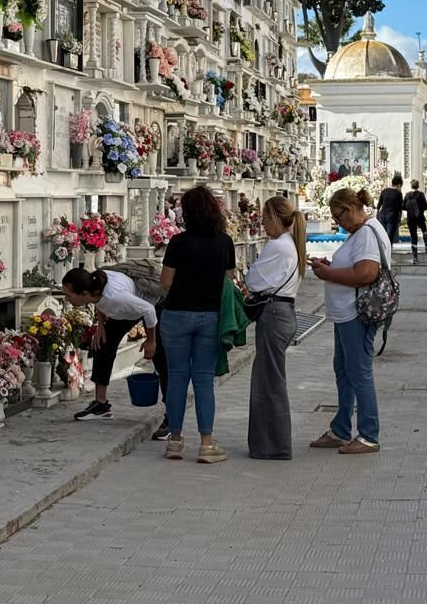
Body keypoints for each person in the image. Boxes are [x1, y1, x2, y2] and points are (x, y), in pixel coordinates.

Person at [307, 186, 387, 454]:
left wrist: (328, 274)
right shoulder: (360, 233)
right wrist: (329, 265)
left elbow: (366, 273)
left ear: (351, 209)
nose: (337, 222)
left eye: (338, 215)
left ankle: (368, 434)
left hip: (356, 313)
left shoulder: (366, 233)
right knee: (344, 371)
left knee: (359, 373)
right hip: (346, 312)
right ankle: (341, 429)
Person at [160, 184, 235, 463]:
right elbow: (229, 280)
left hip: (177, 313)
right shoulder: (224, 242)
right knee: (203, 379)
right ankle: (206, 444)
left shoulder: (178, 242)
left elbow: (166, 282)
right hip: (210, 315)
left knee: (177, 376)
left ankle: (175, 441)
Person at [245, 195, 305, 460]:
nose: (263, 222)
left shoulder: (279, 246)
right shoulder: (289, 244)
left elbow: (253, 279)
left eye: (267, 217)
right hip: (282, 313)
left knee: (269, 383)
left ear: (278, 219)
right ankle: (269, 443)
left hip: (274, 314)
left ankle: (274, 446)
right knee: (268, 379)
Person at [61, 267, 157, 421]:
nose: (67, 299)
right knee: (102, 345)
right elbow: (98, 300)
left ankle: (170, 411)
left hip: (149, 305)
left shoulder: (115, 297)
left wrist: (151, 341)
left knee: (159, 353)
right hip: (123, 312)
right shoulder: (93, 290)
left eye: (68, 295)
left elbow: (149, 310)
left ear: (84, 294)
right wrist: (101, 327)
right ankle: (101, 404)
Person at [403, 179, 427, 263]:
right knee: (424, 231)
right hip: (420, 217)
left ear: (411, 186)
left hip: (410, 218)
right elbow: (426, 206)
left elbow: (403, 206)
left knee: (413, 237)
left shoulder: (407, 195)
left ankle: (415, 257)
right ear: (418, 186)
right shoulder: (421, 194)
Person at [376, 173, 404, 246]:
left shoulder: (384, 191)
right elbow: (400, 208)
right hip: (392, 216)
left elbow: (379, 204)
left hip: (382, 215)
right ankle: (388, 251)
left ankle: (382, 250)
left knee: (382, 234)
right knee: (389, 236)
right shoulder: (399, 194)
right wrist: (399, 219)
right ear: (399, 185)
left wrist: (377, 215)